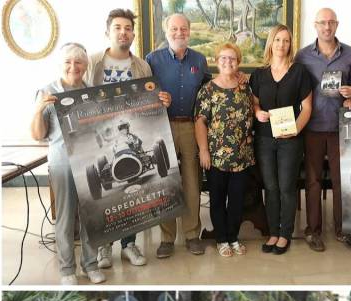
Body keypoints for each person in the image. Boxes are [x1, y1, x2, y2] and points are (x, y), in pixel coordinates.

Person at [90, 8, 171, 269]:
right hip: (102, 132)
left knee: (132, 195)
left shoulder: (142, 66)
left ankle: (129, 244)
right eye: (118, 27)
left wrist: (161, 100)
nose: (123, 32)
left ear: (133, 34)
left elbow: (149, 100)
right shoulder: (93, 63)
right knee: (104, 201)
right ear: (108, 31)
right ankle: (104, 247)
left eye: (127, 28)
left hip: (130, 127)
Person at [31, 42, 104, 285]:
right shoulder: (46, 92)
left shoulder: (92, 92)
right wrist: (39, 109)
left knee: (91, 216)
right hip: (62, 162)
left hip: (89, 162)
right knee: (64, 217)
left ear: (85, 66)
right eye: (68, 62)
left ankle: (90, 264)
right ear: (61, 64)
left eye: (79, 62)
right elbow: (38, 134)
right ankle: (66, 269)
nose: (73, 67)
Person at [146, 13, 210, 258]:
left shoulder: (200, 60)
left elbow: (207, 91)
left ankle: (192, 234)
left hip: (191, 127)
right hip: (162, 127)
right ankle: (167, 238)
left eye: (183, 29)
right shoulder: (152, 60)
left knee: (193, 182)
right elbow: (141, 93)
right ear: (166, 31)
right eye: (174, 29)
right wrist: (156, 98)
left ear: (189, 31)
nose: (179, 33)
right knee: (165, 183)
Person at [296, 7, 351, 252]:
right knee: (312, 181)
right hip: (311, 127)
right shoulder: (302, 56)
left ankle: (343, 230)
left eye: (331, 22)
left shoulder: (349, 53)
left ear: (337, 24)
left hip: (339, 127)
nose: (327, 27)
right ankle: (313, 231)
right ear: (315, 25)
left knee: (341, 180)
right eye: (322, 22)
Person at [251, 24, 315, 255]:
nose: (282, 44)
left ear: (290, 45)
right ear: (271, 42)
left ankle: (285, 234)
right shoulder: (259, 74)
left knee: (287, 187)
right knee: (271, 187)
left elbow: (307, 107)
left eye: (286, 41)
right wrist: (257, 112)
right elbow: (255, 103)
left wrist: (296, 129)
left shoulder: (299, 72)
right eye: (278, 40)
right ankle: (273, 233)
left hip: (290, 140)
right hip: (265, 139)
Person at [196, 43, 255, 258]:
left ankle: (233, 237)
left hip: (242, 155)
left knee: (238, 200)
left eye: (232, 58)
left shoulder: (246, 87)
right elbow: (201, 122)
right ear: (216, 60)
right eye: (223, 58)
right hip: (216, 155)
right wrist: (203, 150)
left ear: (238, 62)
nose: (228, 62)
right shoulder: (208, 90)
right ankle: (221, 239)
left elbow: (255, 108)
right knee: (218, 199)